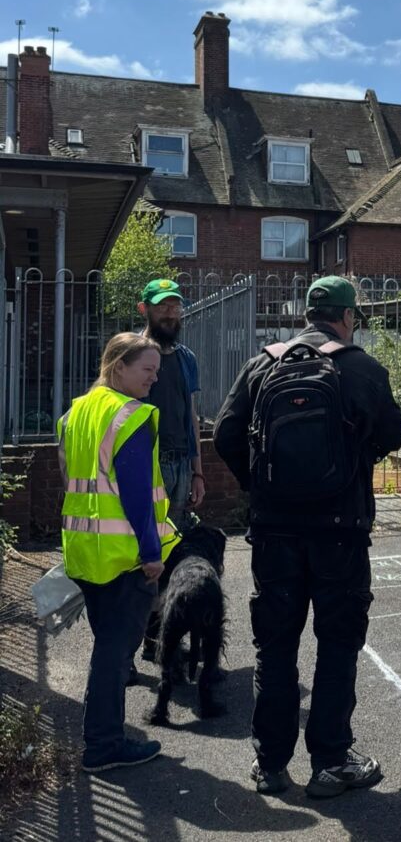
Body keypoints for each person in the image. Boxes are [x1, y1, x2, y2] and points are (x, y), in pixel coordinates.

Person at [213, 276, 401, 799]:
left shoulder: (263, 364)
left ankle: (270, 765)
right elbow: (394, 434)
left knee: (274, 647)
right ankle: (331, 762)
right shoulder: (361, 367)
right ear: (347, 317)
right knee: (337, 645)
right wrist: (348, 461)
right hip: (340, 531)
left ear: (308, 316)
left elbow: (226, 435)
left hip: (274, 532)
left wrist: (263, 487)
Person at [56, 332, 179, 772]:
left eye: (157, 371)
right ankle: (103, 744)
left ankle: (101, 735)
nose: (153, 378)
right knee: (114, 650)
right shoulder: (130, 415)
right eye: (146, 369)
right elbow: (136, 496)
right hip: (122, 555)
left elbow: (70, 475)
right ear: (118, 366)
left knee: (106, 645)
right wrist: (152, 553)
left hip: (85, 548)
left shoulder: (76, 412)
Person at [138, 279, 205, 528]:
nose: (170, 315)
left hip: (182, 465)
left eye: (175, 308)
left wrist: (197, 472)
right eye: (162, 307)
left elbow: (191, 416)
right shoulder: (130, 354)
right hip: (147, 463)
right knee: (145, 541)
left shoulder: (186, 358)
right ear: (143, 309)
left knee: (175, 538)